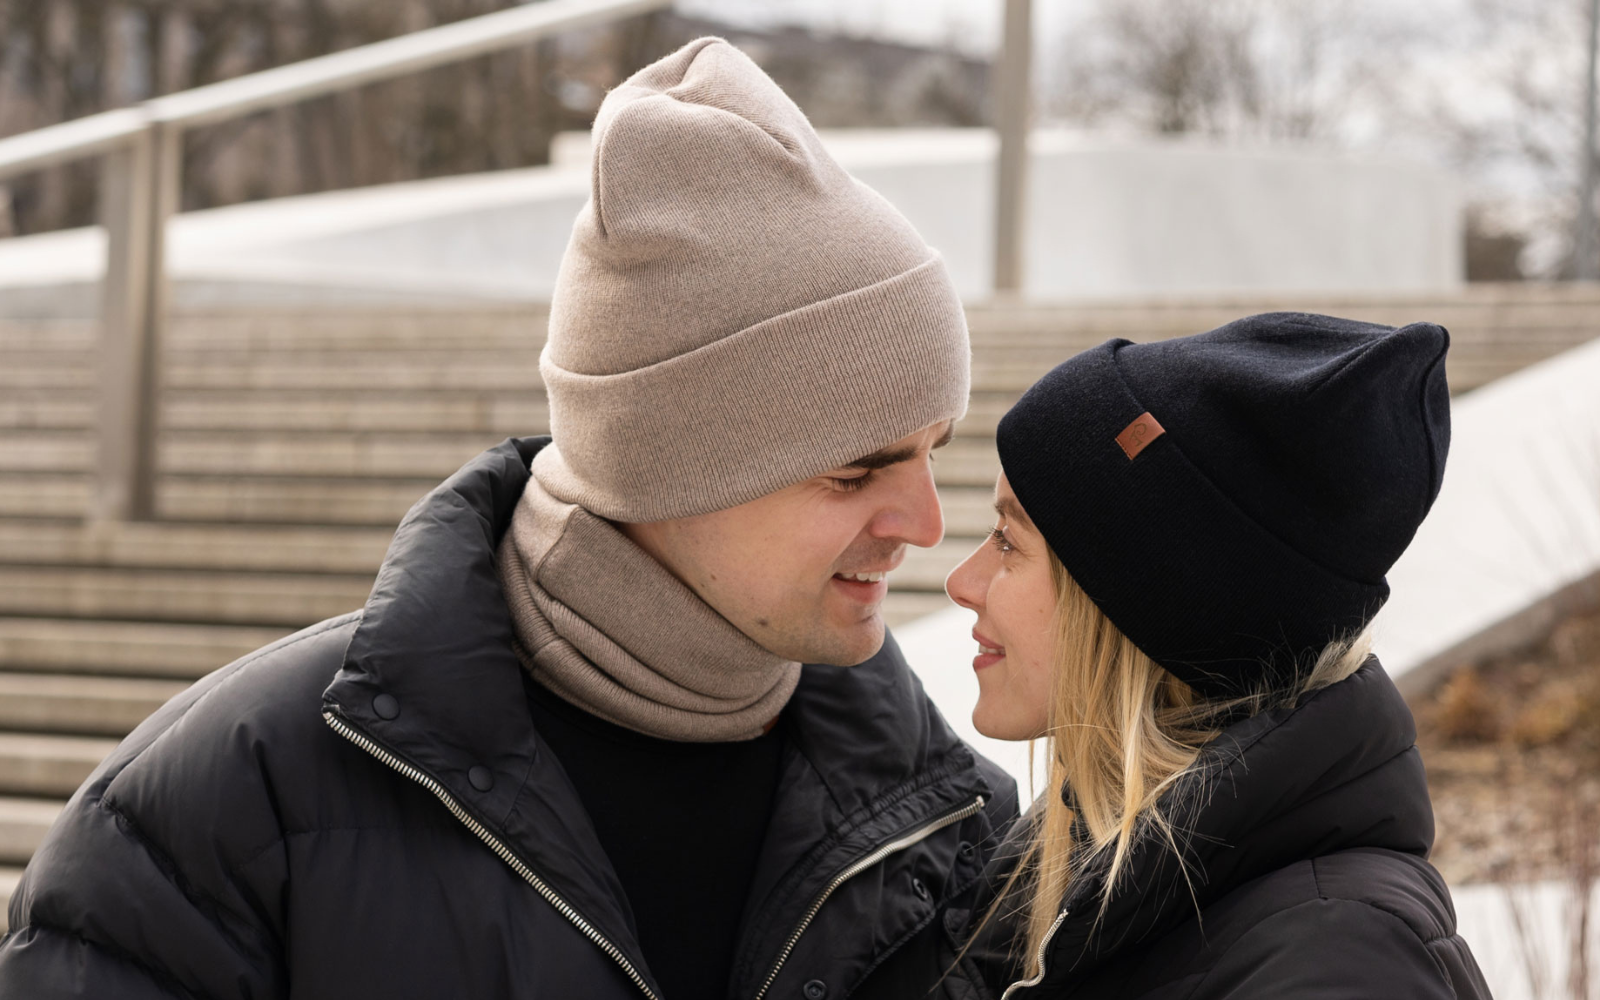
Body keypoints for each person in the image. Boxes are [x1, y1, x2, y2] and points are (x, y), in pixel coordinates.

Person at [0, 38, 1017, 1000]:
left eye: (934, 452)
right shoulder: (218, 814)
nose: (926, 523)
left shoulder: (957, 830)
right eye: (855, 473)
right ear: (666, 467)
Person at [936, 314, 1490, 998]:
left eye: (1009, 541)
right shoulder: (1067, 874)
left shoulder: (1341, 968)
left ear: (1146, 604)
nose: (960, 583)